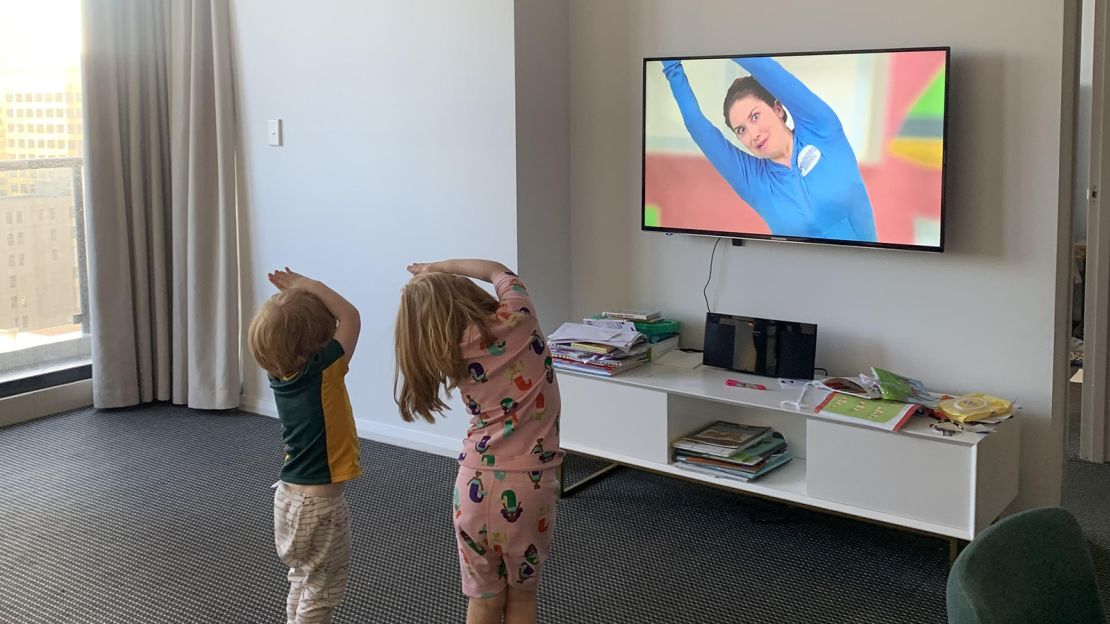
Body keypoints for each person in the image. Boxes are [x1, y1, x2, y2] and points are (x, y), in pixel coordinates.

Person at [394, 259, 562, 624]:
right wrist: (438, 267)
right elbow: (497, 270)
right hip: (530, 485)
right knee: (520, 597)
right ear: (468, 294)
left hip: (471, 486)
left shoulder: (448, 351)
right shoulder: (520, 317)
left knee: (484, 599)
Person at [247, 268, 362, 624]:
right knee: (322, 590)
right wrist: (311, 286)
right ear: (318, 343)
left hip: (287, 499)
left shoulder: (278, 374)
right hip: (319, 506)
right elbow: (351, 316)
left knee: (302, 578)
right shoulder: (323, 370)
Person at [662, 56, 878, 242]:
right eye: (741, 130)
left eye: (755, 117)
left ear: (778, 109)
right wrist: (672, 65)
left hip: (869, 272)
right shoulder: (755, 182)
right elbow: (696, 126)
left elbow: (767, 69)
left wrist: (721, 38)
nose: (752, 134)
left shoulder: (822, 130)